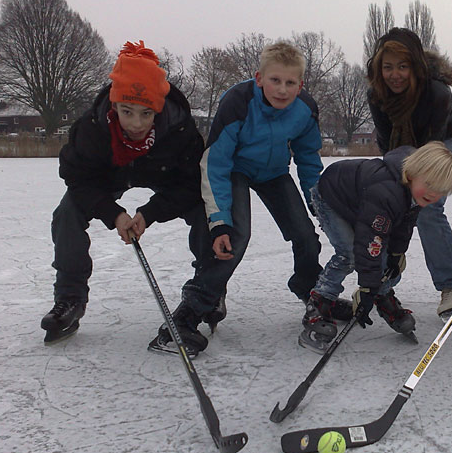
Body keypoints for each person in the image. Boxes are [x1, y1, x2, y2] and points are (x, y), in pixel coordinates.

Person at [149, 41, 324, 356]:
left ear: (300, 85)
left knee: (305, 235)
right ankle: (189, 312)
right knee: (235, 237)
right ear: (258, 78)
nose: (282, 89)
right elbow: (216, 164)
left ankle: (311, 291)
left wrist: (317, 201)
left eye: (290, 83)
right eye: (275, 80)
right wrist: (219, 222)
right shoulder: (237, 102)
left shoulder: (305, 110)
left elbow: (308, 157)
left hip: (273, 173)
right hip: (235, 171)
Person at [41, 41, 212, 345]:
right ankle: (70, 299)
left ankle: (209, 291)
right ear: (113, 105)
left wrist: (149, 213)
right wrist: (114, 213)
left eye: (146, 114)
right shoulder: (92, 127)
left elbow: (190, 185)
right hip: (110, 175)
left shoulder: (180, 130)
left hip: (164, 174)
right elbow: (77, 178)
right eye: (127, 111)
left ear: (158, 109)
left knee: (206, 211)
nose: (136, 124)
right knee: (67, 212)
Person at [299, 141, 452, 353]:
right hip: (330, 196)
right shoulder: (387, 192)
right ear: (413, 173)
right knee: (349, 254)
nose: (433, 194)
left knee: (385, 257)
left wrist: (394, 254)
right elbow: (369, 242)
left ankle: (383, 296)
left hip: (359, 203)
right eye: (429, 184)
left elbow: (402, 226)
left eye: (440, 191)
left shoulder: (414, 193)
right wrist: (367, 289)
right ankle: (318, 305)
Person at [366, 28, 452, 320]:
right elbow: (388, 144)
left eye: (402, 66)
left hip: (445, 140)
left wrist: (412, 186)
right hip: (404, 144)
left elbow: (432, 153)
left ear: (415, 66)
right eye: (388, 67)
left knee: (427, 206)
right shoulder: (376, 94)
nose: (395, 74)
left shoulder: (437, 93)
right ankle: (381, 283)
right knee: (389, 203)